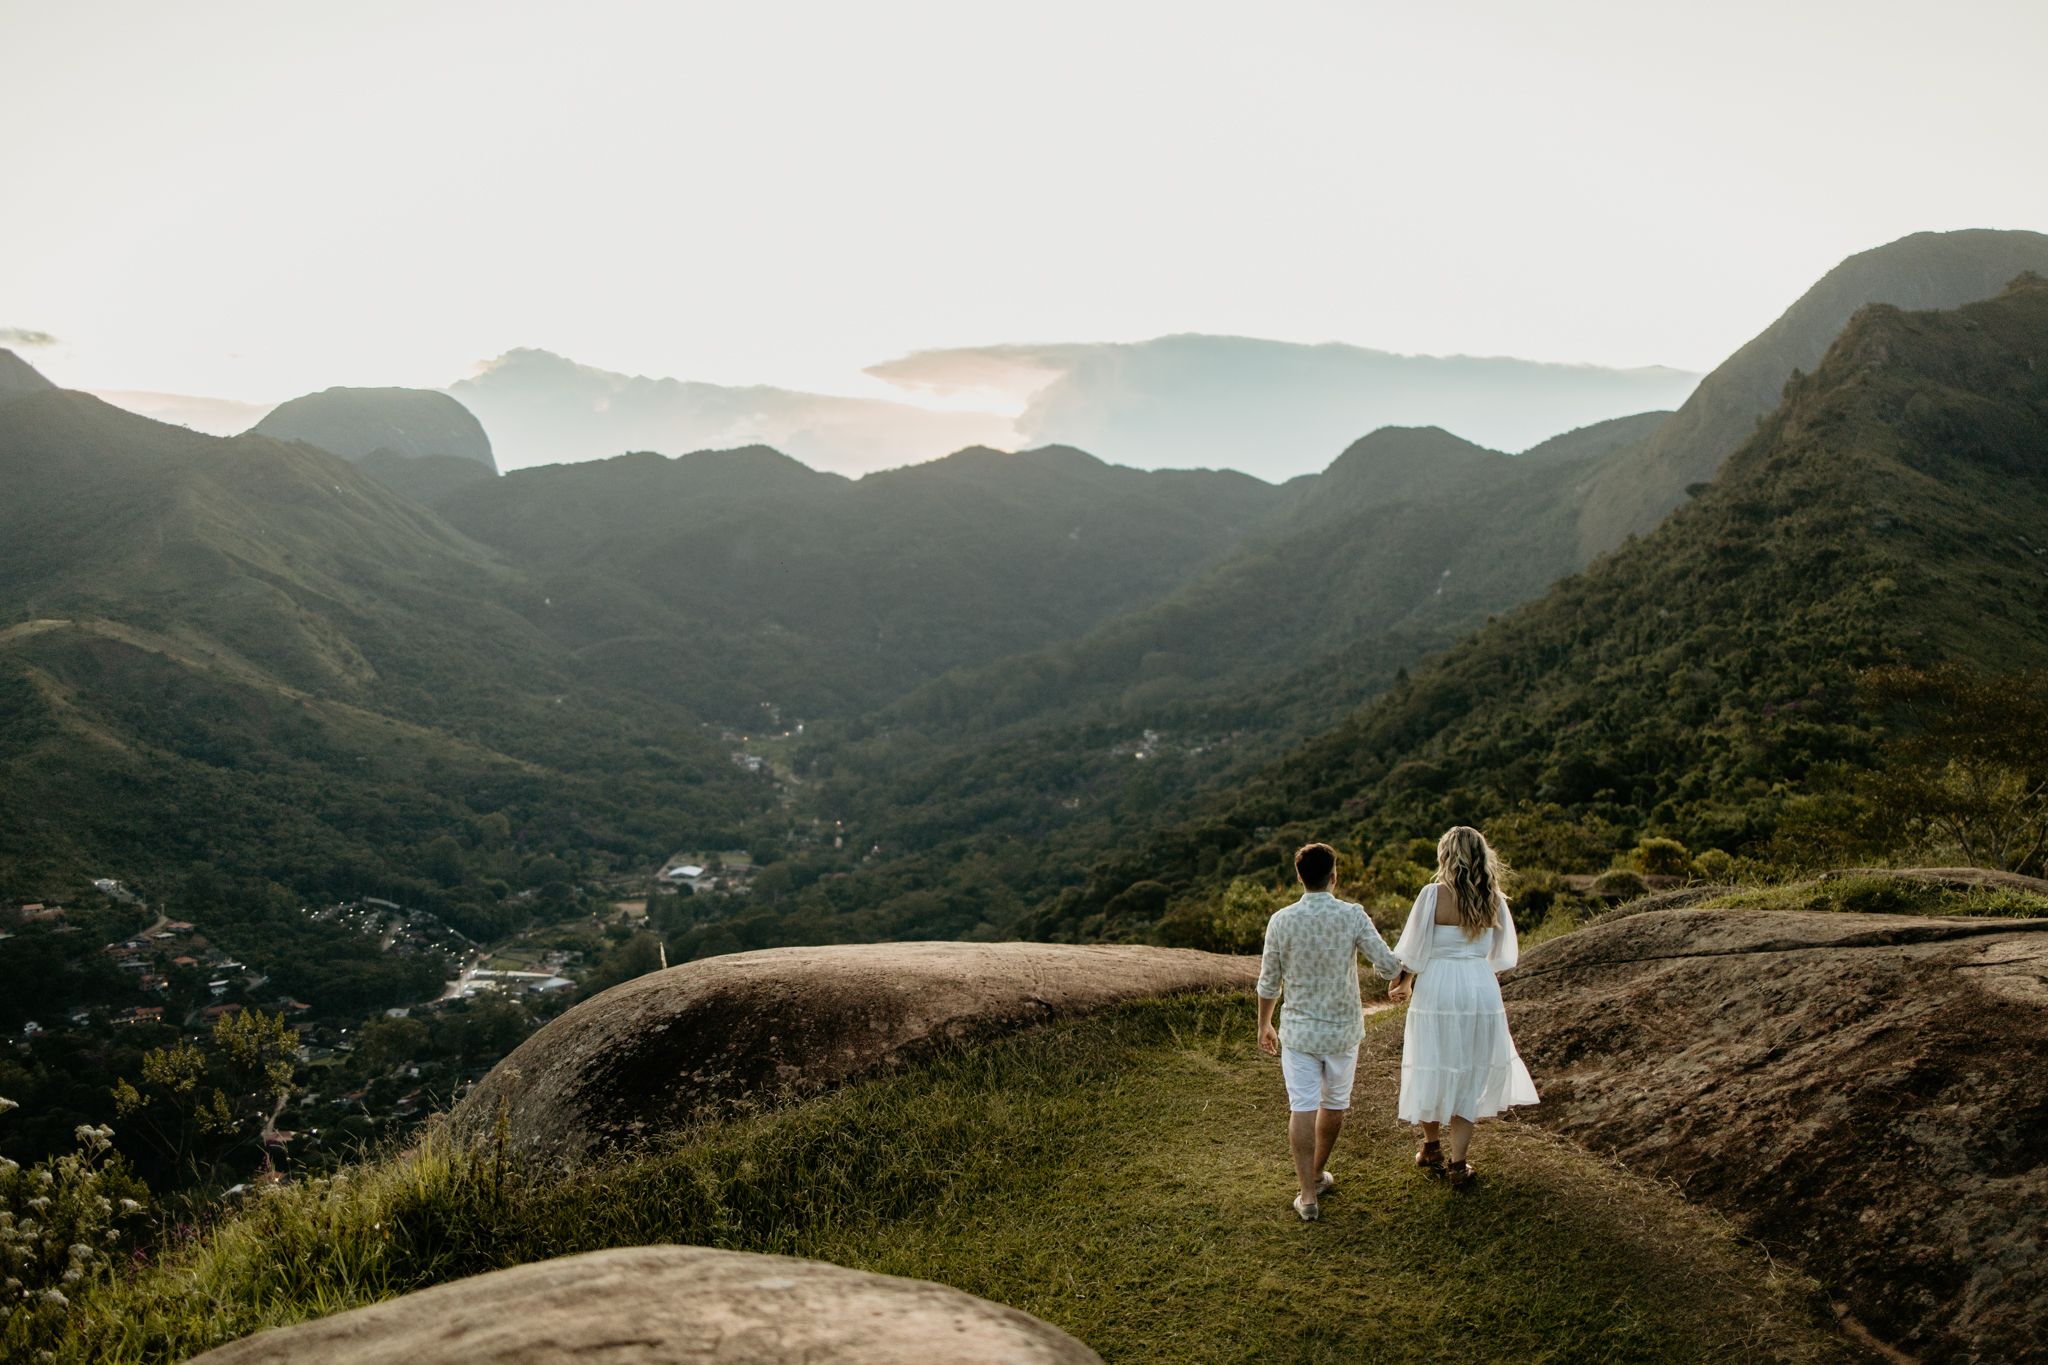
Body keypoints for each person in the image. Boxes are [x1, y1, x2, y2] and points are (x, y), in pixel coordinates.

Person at [1255, 841, 1406, 1221]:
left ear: (1299, 877)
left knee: (1302, 1106)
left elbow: (1268, 983)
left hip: (1300, 1033)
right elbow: (1388, 964)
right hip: (1342, 1031)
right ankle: (1318, 1171)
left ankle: (1308, 1193)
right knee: (1335, 1103)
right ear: (1334, 877)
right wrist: (1404, 977)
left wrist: (1264, 1024)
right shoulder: (1352, 915)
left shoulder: (1281, 920)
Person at [1387, 825, 1538, 1187]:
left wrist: (1405, 982)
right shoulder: (1495, 899)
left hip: (1438, 986)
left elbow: (1412, 950)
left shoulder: (1431, 895)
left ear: (1446, 855)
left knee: (1431, 1062)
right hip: (1479, 987)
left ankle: (1432, 1146)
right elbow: (1502, 956)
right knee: (1468, 1070)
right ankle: (1458, 1164)